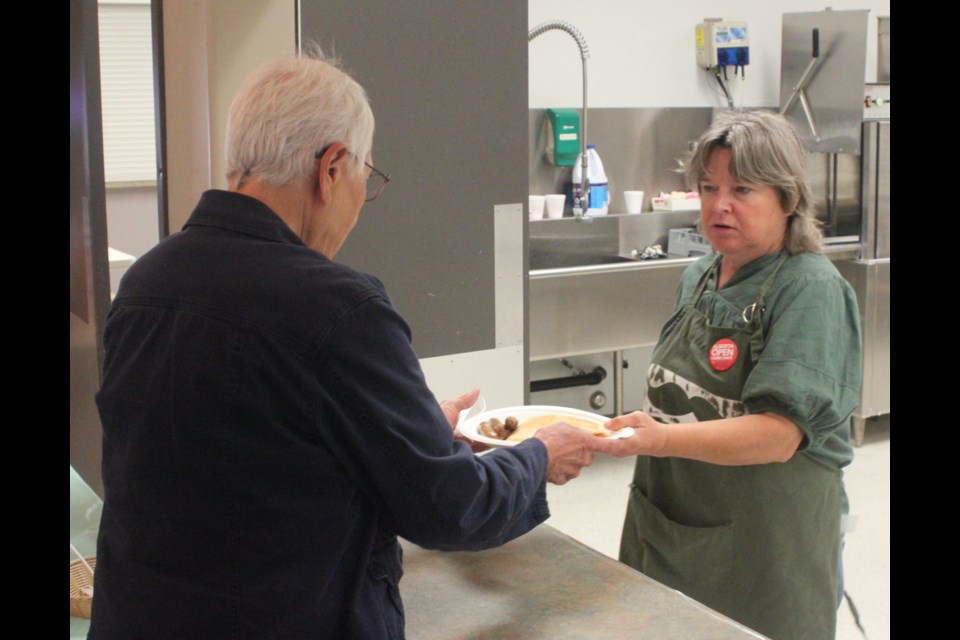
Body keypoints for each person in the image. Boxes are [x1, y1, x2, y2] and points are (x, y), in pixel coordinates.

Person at [89, 51, 627, 639]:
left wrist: (411, 433)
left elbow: (236, 456)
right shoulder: (338, 307)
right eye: (365, 181)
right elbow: (451, 508)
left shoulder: (146, 282)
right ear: (333, 168)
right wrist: (539, 454)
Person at [605, 110, 862, 640]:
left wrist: (660, 441)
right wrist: (649, 435)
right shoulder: (700, 275)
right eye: (708, 187)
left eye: (743, 189)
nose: (719, 205)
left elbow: (777, 434)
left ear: (788, 200)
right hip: (672, 525)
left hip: (764, 549)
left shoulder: (810, 289)